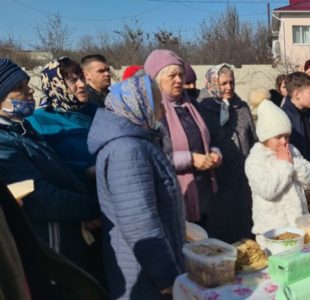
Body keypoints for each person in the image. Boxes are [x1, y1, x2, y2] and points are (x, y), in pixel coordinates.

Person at [0, 58, 100, 279]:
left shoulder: (22, 130)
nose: (29, 92)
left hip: (68, 233)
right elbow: (40, 196)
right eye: (18, 88)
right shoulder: (4, 143)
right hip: (49, 241)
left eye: (27, 85)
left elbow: (57, 170)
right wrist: (92, 208)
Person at [88, 75, 185, 299]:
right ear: (138, 105)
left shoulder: (137, 141)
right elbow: (140, 221)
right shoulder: (127, 150)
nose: (162, 109)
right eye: (157, 103)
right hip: (144, 272)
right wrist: (166, 277)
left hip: (148, 266)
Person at [144, 49, 222, 224]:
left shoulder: (192, 105)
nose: (179, 80)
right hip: (174, 194)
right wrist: (190, 159)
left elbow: (210, 139)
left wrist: (215, 153)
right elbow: (151, 157)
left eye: (181, 74)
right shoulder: (153, 113)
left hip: (203, 191)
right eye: (172, 76)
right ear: (156, 78)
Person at [196, 65, 257, 244]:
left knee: (245, 238)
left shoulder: (242, 107)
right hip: (217, 185)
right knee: (221, 239)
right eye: (223, 83)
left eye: (231, 82)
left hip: (242, 184)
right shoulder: (202, 110)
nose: (229, 87)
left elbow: (253, 140)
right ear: (213, 83)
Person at [245, 100, 310, 246]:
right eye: (278, 137)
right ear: (265, 137)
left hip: (299, 228)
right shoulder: (255, 160)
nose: (284, 141)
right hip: (273, 233)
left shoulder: (293, 151)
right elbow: (267, 190)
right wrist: (284, 165)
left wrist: (294, 164)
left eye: (287, 136)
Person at [28, 57, 96, 186]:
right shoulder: (38, 121)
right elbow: (43, 164)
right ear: (56, 85)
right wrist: (85, 170)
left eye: (81, 78)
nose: (82, 84)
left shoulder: (97, 111)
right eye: (73, 80)